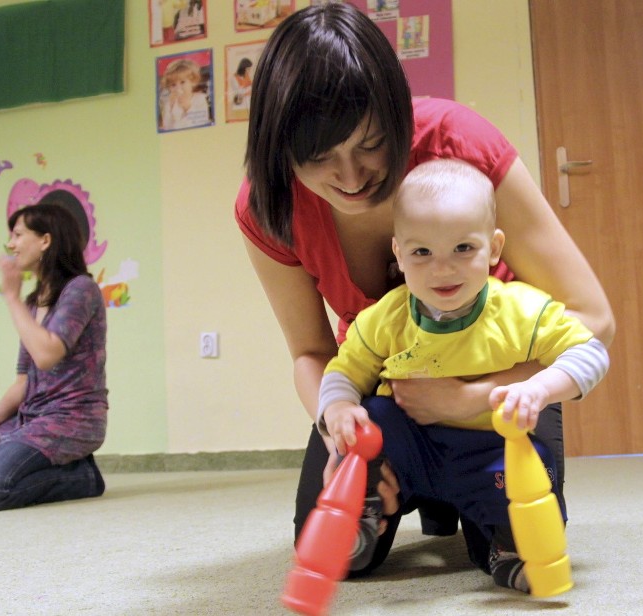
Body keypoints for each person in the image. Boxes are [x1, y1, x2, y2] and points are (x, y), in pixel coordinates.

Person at [236, 2, 614, 576]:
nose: (351, 176)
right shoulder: (269, 207)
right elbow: (312, 354)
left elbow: (592, 320)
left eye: (370, 143)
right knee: (335, 551)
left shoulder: (456, 141)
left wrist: (472, 399)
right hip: (390, 395)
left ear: (396, 114)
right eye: (319, 159)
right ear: (281, 153)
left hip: (503, 377)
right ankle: (424, 493)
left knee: (522, 546)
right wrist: (337, 423)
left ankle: (462, 504)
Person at [319, 158, 609, 591]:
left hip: (485, 450)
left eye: (463, 249)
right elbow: (343, 371)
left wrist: (537, 387)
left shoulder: (520, 310)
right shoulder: (385, 317)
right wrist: (339, 408)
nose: (443, 269)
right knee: (371, 413)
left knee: (534, 467)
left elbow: (590, 351)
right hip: (409, 451)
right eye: (422, 252)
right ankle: (361, 511)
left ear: (493, 249)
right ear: (398, 254)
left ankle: (506, 550)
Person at [0, 203, 108, 512]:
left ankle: (85, 477)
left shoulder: (81, 289)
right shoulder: (33, 300)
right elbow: (26, 377)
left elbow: (48, 353)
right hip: (31, 419)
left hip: (72, 421)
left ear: (46, 241)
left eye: (18, 234)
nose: (11, 244)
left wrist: (10, 297)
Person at [159, 58, 210, 131]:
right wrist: (170, 108)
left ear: (193, 82)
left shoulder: (200, 98)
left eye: (182, 82)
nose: (178, 88)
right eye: (173, 85)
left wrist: (188, 107)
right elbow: (167, 126)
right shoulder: (170, 104)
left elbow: (201, 121)